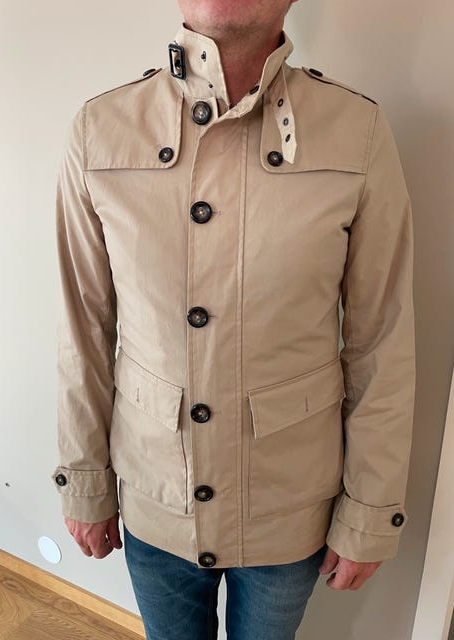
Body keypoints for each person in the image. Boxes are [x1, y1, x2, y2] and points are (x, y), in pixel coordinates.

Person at [51, 0, 416, 637]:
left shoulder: (356, 132)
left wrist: (370, 510)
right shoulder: (99, 130)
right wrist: (84, 479)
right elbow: (80, 329)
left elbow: (382, 339)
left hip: (288, 509)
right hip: (155, 497)